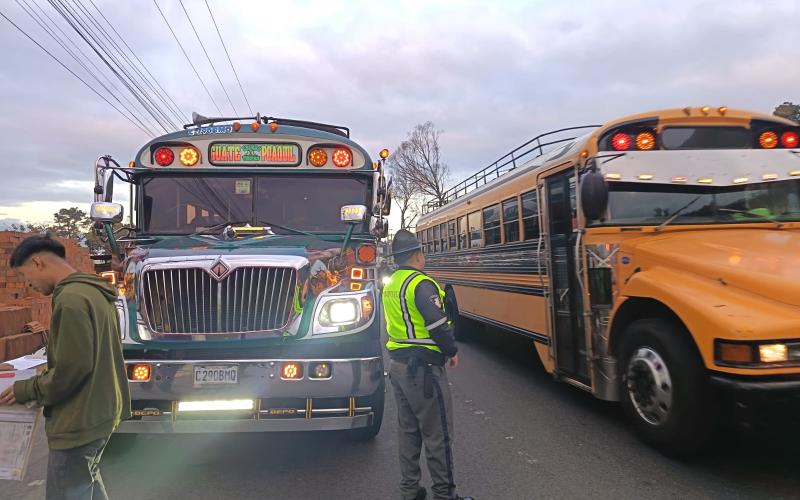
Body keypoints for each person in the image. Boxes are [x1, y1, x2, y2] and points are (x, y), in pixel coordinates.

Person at [0, 235, 131, 500]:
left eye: (26, 276)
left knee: (68, 491)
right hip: (100, 412)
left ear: (37, 262)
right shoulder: (94, 292)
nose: (29, 285)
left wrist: (28, 389)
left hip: (78, 420)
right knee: (86, 486)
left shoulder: (70, 299)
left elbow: (74, 368)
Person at [382, 229, 473, 500]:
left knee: (408, 433)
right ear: (418, 255)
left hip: (399, 367)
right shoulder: (421, 283)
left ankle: (410, 491)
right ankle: (445, 495)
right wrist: (452, 350)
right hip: (424, 372)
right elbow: (437, 324)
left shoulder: (391, 284)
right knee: (438, 436)